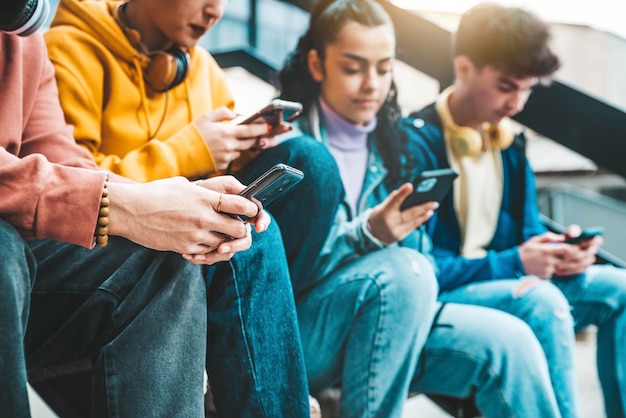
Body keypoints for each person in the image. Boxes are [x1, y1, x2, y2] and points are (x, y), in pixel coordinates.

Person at [0, 0, 311, 416]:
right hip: (13, 254)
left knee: (202, 245)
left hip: (39, 263)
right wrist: (161, 177)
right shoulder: (69, 46)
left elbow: (68, 166)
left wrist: (186, 202)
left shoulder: (25, 40)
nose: (216, 11)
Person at [276, 0, 563, 417]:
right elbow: (278, 276)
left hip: (395, 316)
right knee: (404, 271)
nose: (371, 84)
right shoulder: (287, 146)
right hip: (305, 332)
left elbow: (425, 262)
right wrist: (369, 236)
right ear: (317, 65)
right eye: (353, 68)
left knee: (510, 342)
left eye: (384, 67)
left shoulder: (399, 146)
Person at [409, 4, 626, 418]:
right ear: (464, 67)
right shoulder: (413, 144)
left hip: (512, 283)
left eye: (526, 89)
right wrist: (516, 262)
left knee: (620, 288)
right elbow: (420, 268)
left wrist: (560, 254)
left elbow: (527, 237)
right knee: (543, 304)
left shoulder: (510, 145)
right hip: (450, 296)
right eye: (507, 86)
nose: (518, 103)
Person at [43, 0, 341, 288]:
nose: (216, 11)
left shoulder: (205, 71)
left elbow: (216, 177)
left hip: (191, 230)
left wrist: (240, 151)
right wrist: (191, 151)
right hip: (110, 235)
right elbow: (71, 187)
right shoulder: (68, 50)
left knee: (309, 160)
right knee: (249, 235)